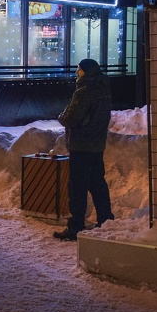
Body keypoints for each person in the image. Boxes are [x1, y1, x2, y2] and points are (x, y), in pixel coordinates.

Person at [54, 58, 114, 241]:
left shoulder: (84, 92)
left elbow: (72, 118)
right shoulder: (103, 90)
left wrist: (61, 116)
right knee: (97, 184)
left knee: (77, 188)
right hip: (97, 145)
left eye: (79, 69)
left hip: (81, 146)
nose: (76, 73)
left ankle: (75, 226)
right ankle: (106, 220)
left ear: (86, 72)